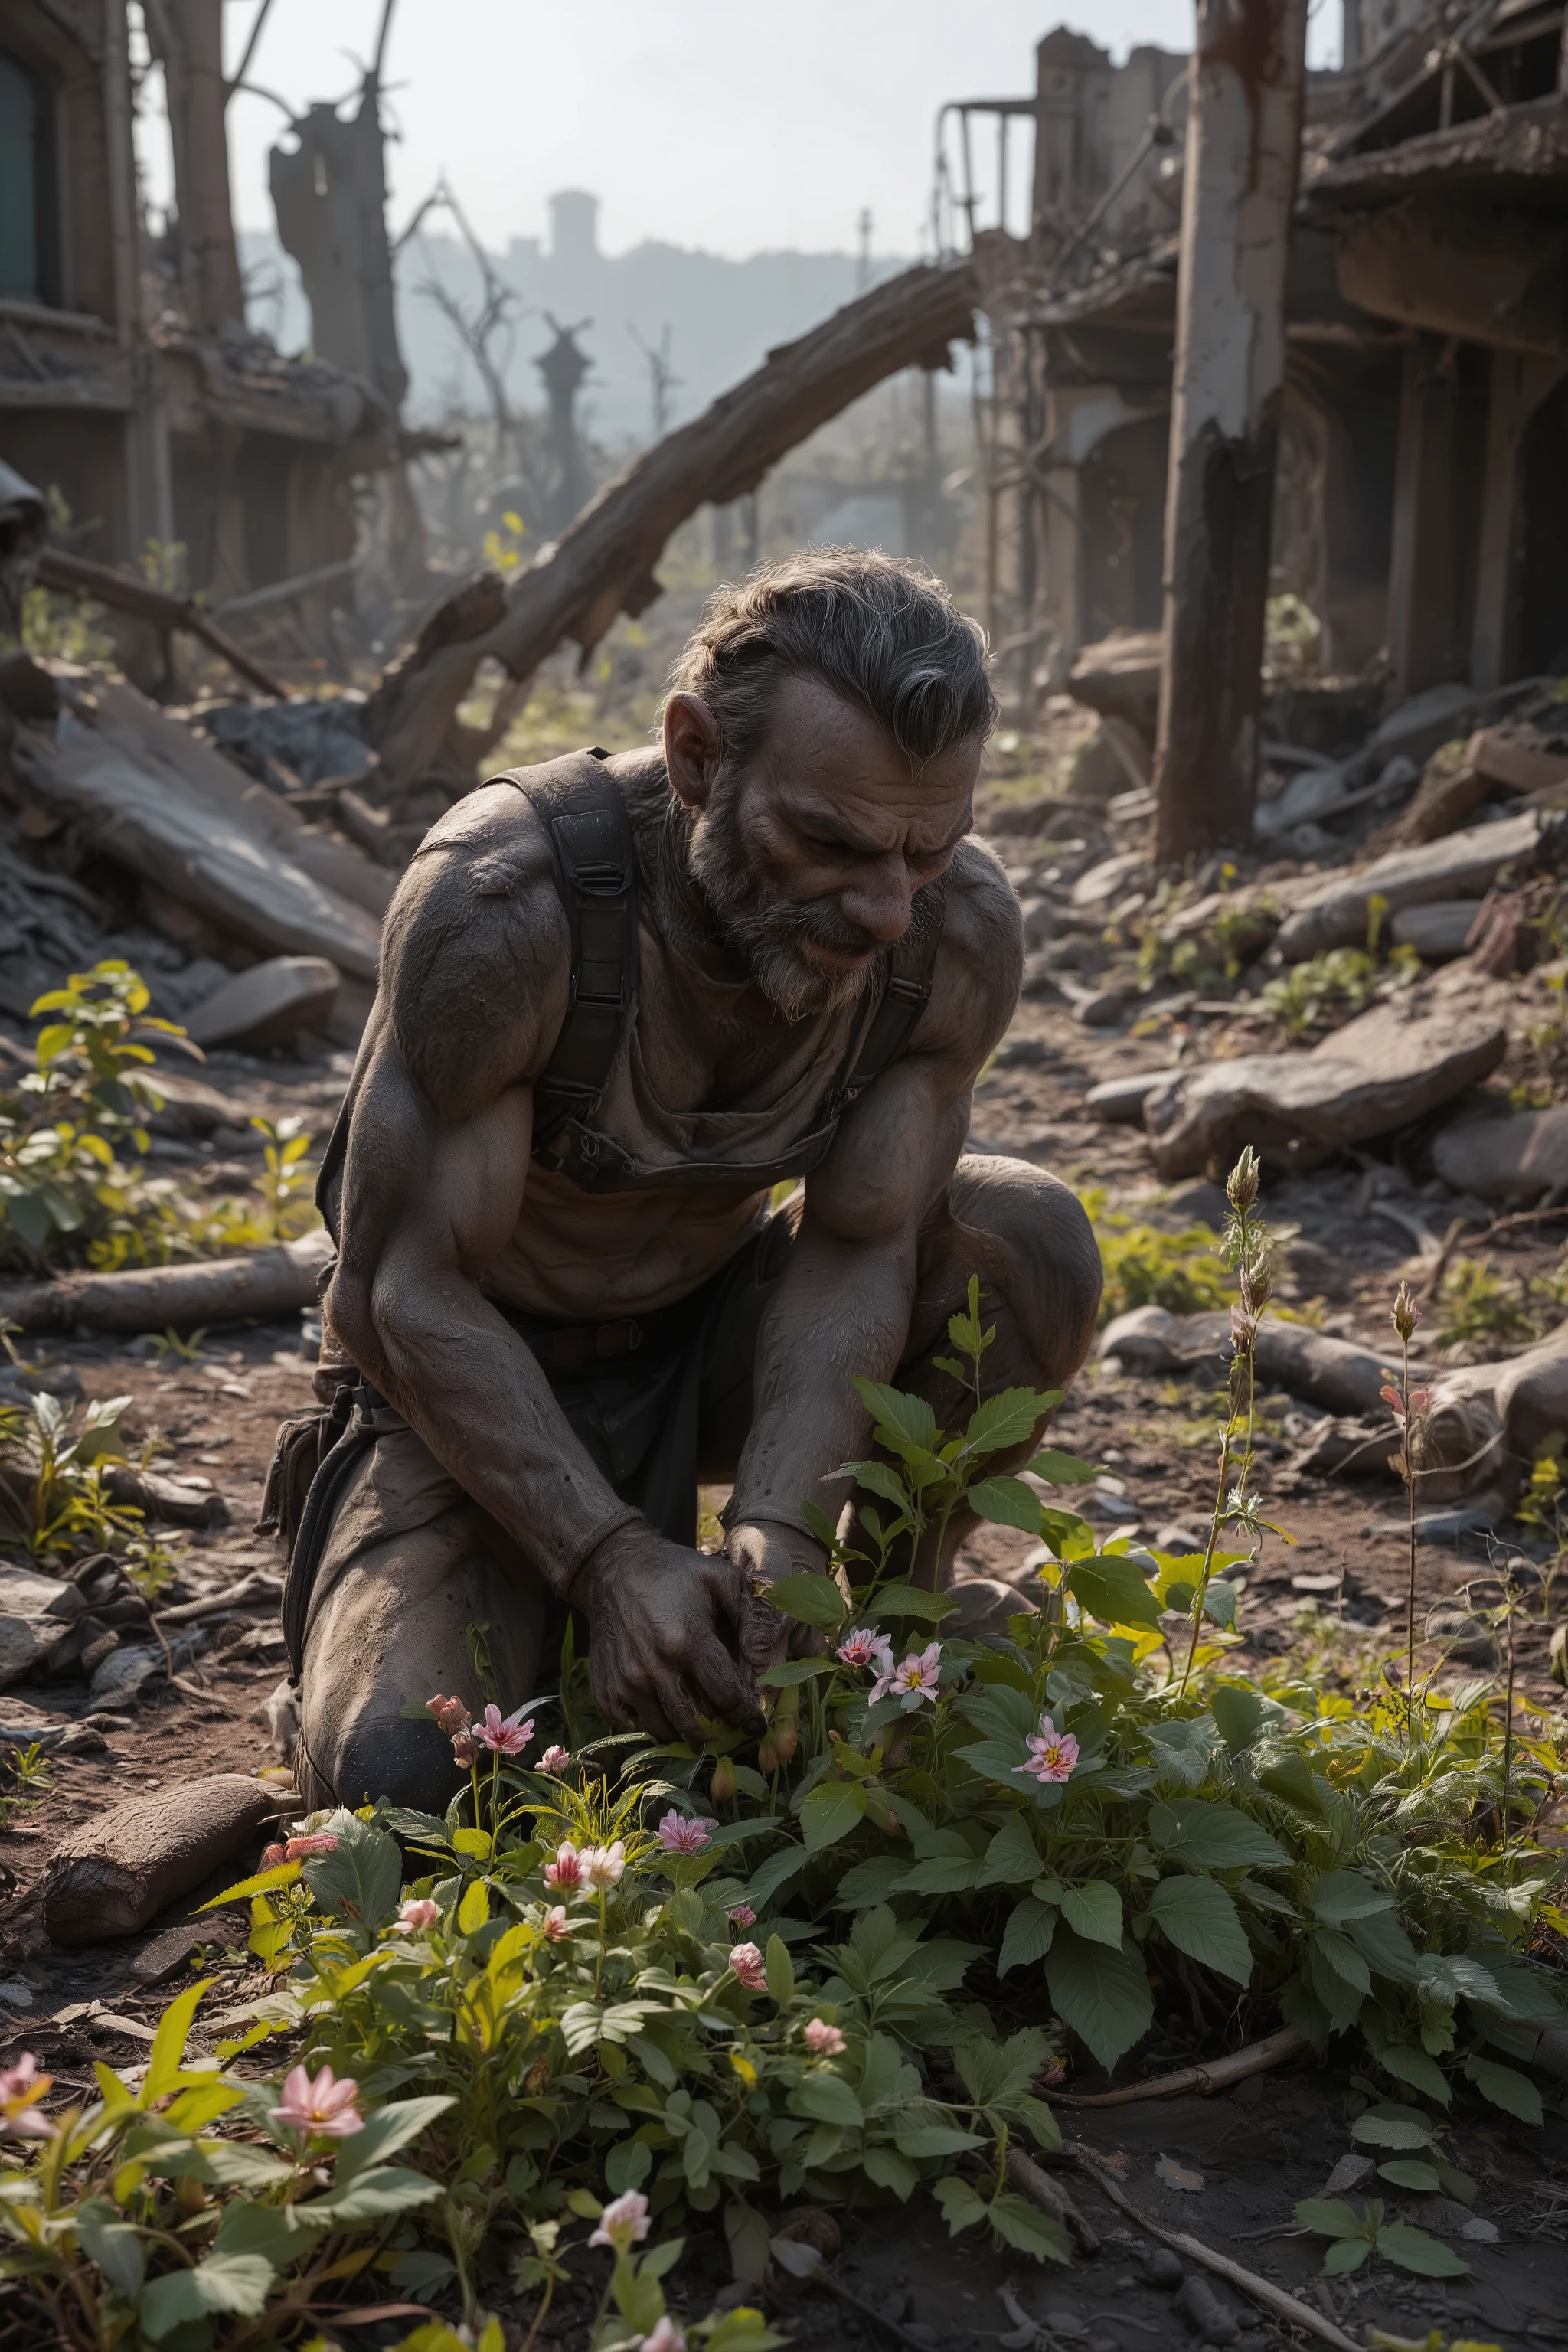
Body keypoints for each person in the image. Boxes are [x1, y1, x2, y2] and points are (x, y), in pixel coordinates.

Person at [271, 549, 1101, 1810]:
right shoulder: (505, 911)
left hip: (707, 1346)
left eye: (929, 851)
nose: (888, 909)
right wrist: (606, 1559)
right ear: (698, 758)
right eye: (829, 842)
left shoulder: (952, 935)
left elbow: (860, 1246)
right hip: (463, 1388)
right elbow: (400, 1294)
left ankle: (876, 1639)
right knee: (409, 1785)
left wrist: (783, 1530)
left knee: (1024, 1237)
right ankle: (451, 1622)